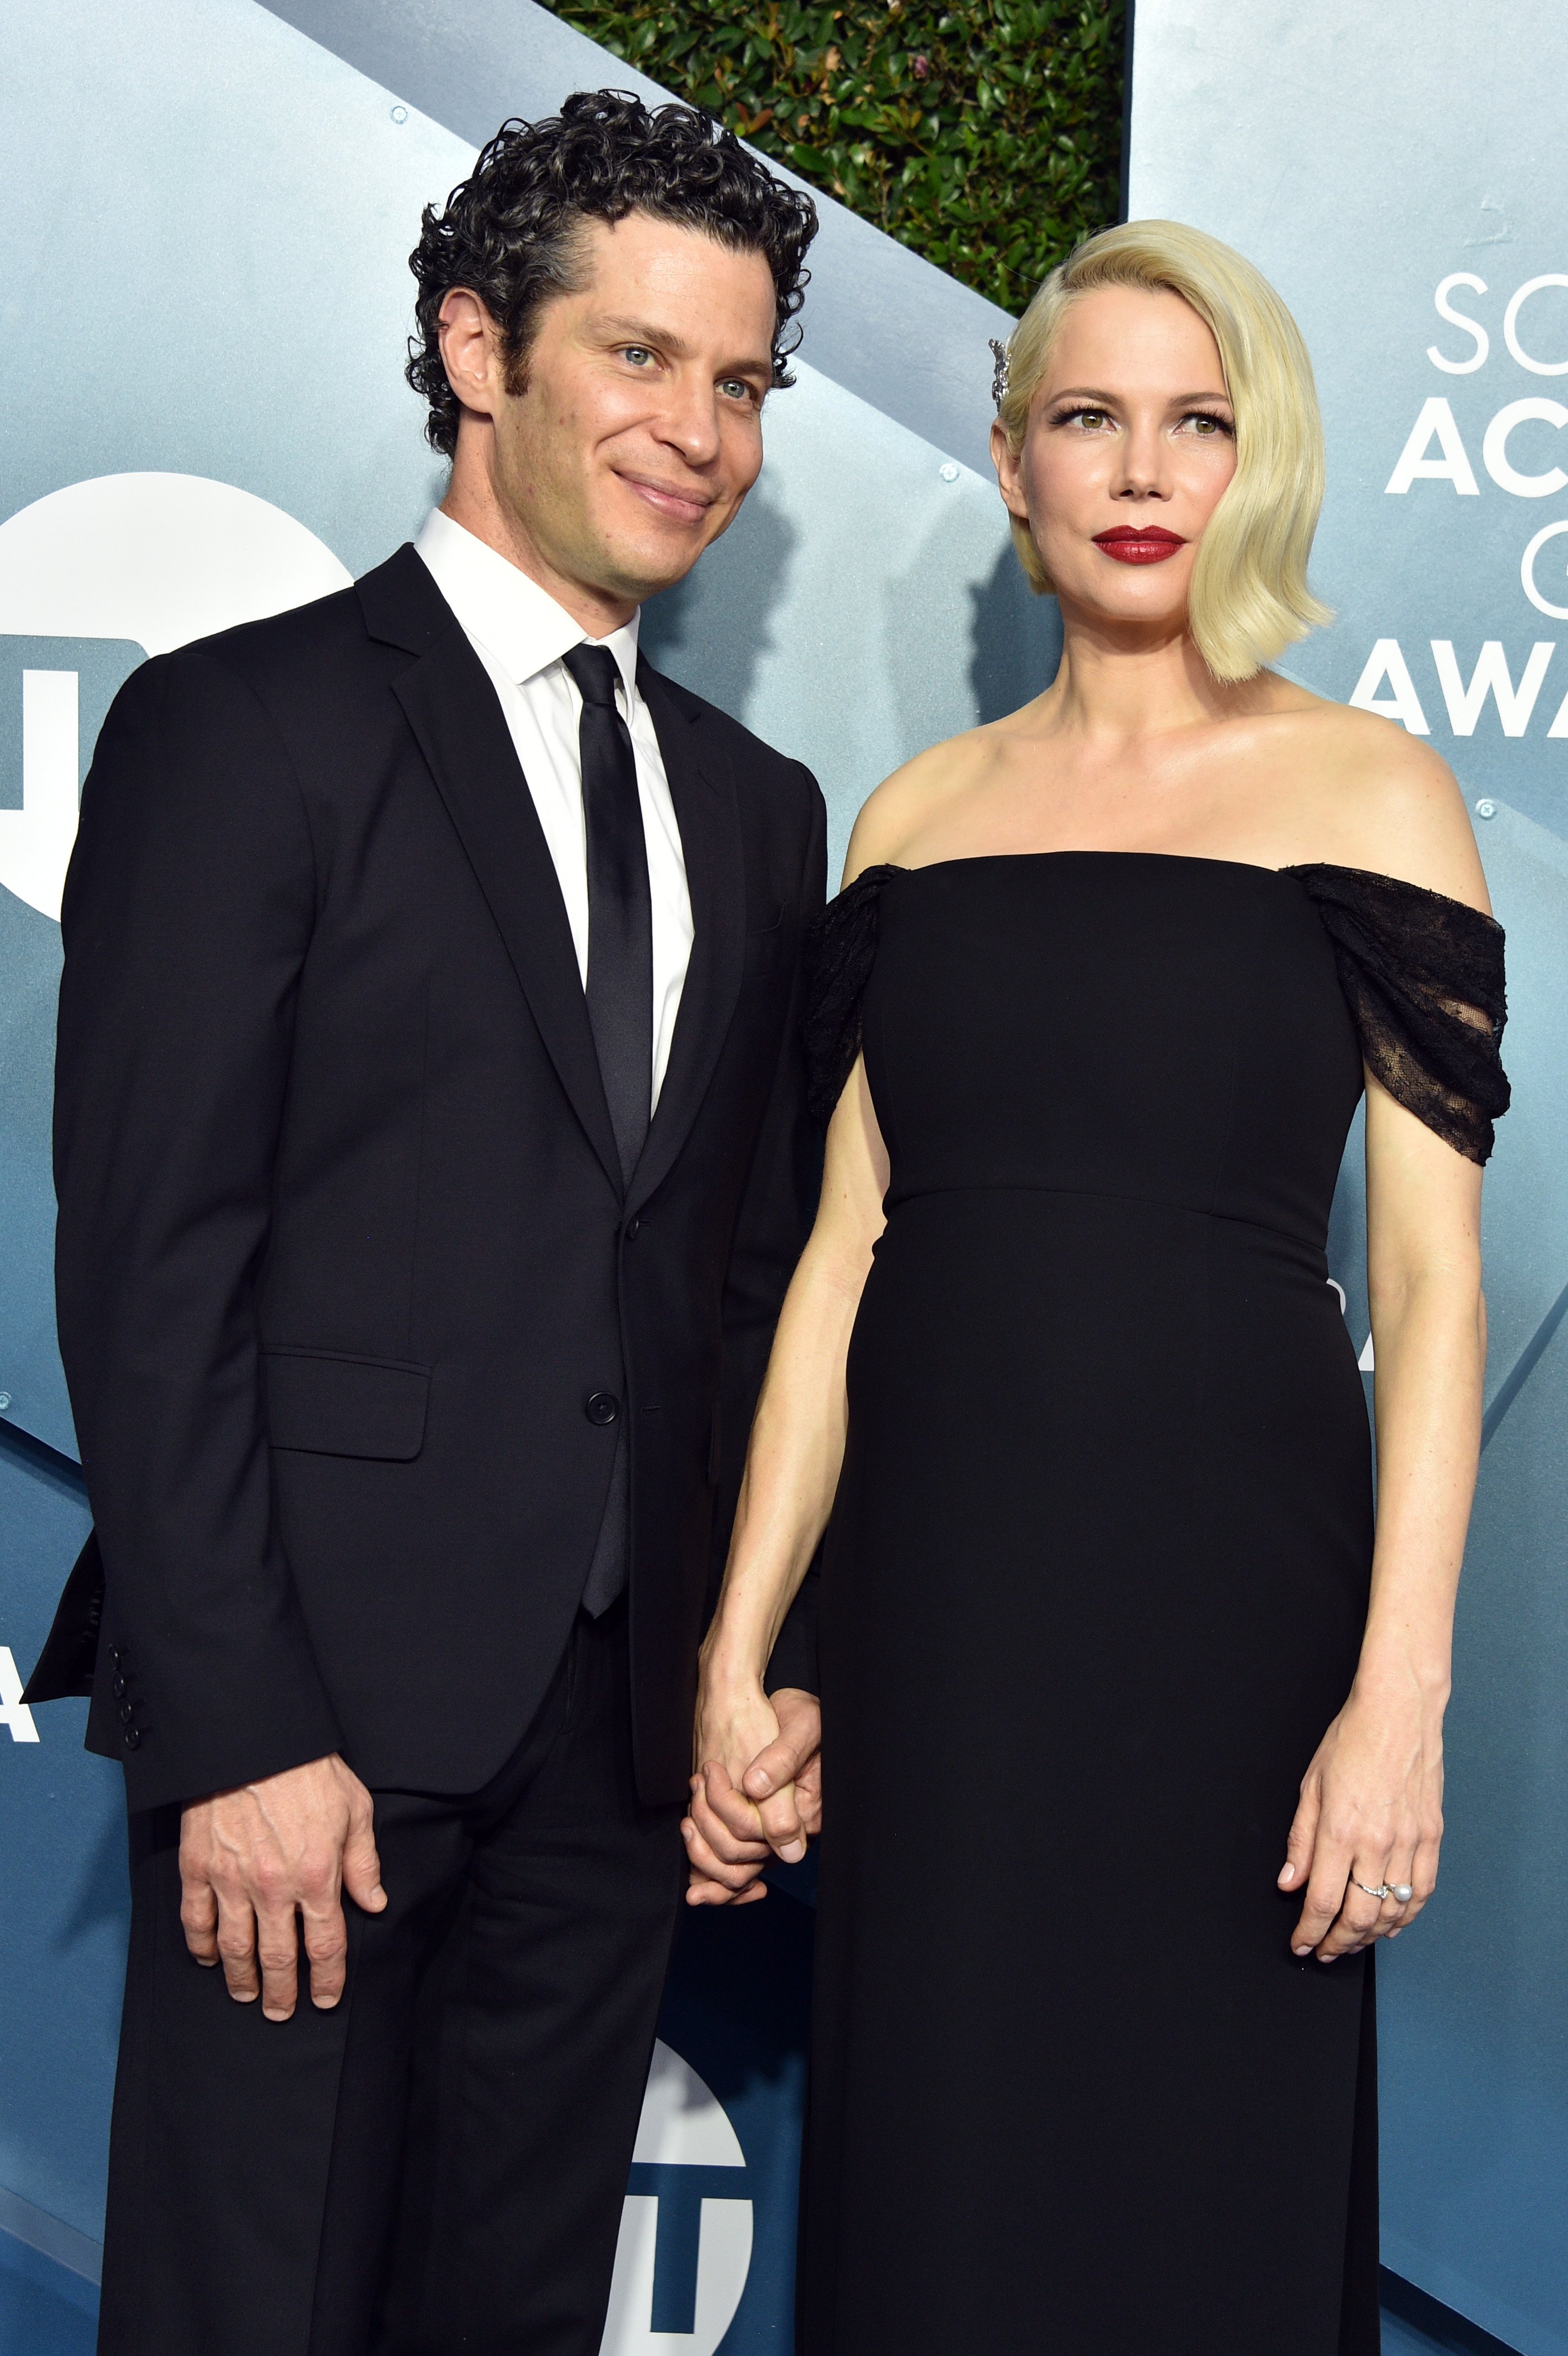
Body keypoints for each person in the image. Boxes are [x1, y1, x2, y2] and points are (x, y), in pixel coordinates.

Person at [36, 92, 826, 2356]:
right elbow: (151, 1263)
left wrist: (750, 1666)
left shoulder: (756, 815)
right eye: (644, 358)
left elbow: (753, 1281)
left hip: (612, 1746)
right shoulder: (247, 727)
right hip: (316, 1734)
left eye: (745, 380)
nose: (704, 433)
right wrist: (238, 1726)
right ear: (478, 346)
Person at [684, 220, 1510, 2353]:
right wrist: (747, 1632)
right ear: (1014, 460)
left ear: (1265, 465)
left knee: (1195, 2217)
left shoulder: (1375, 794)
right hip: (944, 1631)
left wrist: (1397, 1699)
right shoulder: (915, 824)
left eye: (1199, 421)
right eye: (1090, 416)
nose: (1143, 467)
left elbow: (1430, 1293)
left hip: (1242, 1646)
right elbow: (844, 1265)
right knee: (938, 2206)